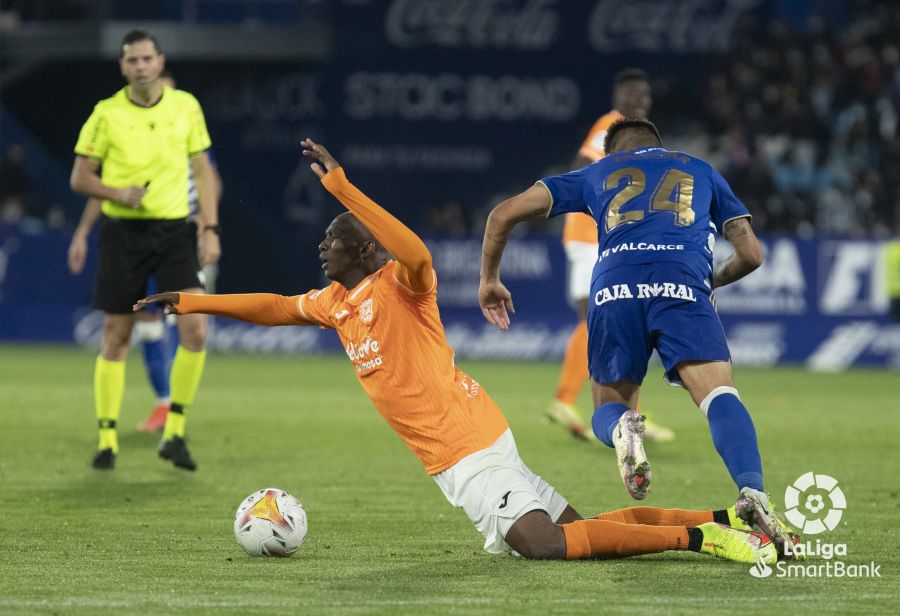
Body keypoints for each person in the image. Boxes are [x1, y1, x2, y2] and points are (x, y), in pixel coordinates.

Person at [135, 138, 778, 564]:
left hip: (465, 449)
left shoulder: (404, 284)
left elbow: (413, 250)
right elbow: (274, 307)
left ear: (363, 250)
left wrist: (345, 193)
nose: (320, 249)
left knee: (544, 545)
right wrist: (191, 301)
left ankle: (702, 539)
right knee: (586, 531)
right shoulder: (335, 303)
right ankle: (726, 515)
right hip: (474, 440)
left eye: (332, 240)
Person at [478, 118, 796, 552]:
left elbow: (502, 214)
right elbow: (752, 254)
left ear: (612, 152)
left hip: (614, 285)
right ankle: (753, 491)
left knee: (607, 408)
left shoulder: (597, 172)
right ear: (659, 145)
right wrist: (709, 281)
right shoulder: (700, 169)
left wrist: (490, 278)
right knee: (721, 396)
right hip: (682, 283)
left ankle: (624, 427)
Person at [69, 29, 220, 471]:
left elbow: (204, 173)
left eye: (146, 58)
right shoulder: (105, 114)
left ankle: (175, 432)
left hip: (174, 232)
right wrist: (116, 191)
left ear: (160, 60)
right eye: (131, 60)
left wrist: (210, 228)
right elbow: (79, 178)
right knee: (117, 335)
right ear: (123, 66)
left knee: (195, 329)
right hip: (124, 234)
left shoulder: (186, 106)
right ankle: (107, 439)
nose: (140, 66)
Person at [549, 68, 674, 444]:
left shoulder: (627, 134)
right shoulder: (612, 126)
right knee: (596, 314)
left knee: (619, 316)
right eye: (637, 96)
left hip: (606, 238)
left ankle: (627, 411)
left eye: (647, 98)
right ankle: (566, 400)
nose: (643, 103)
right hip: (590, 236)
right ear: (620, 98)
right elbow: (581, 166)